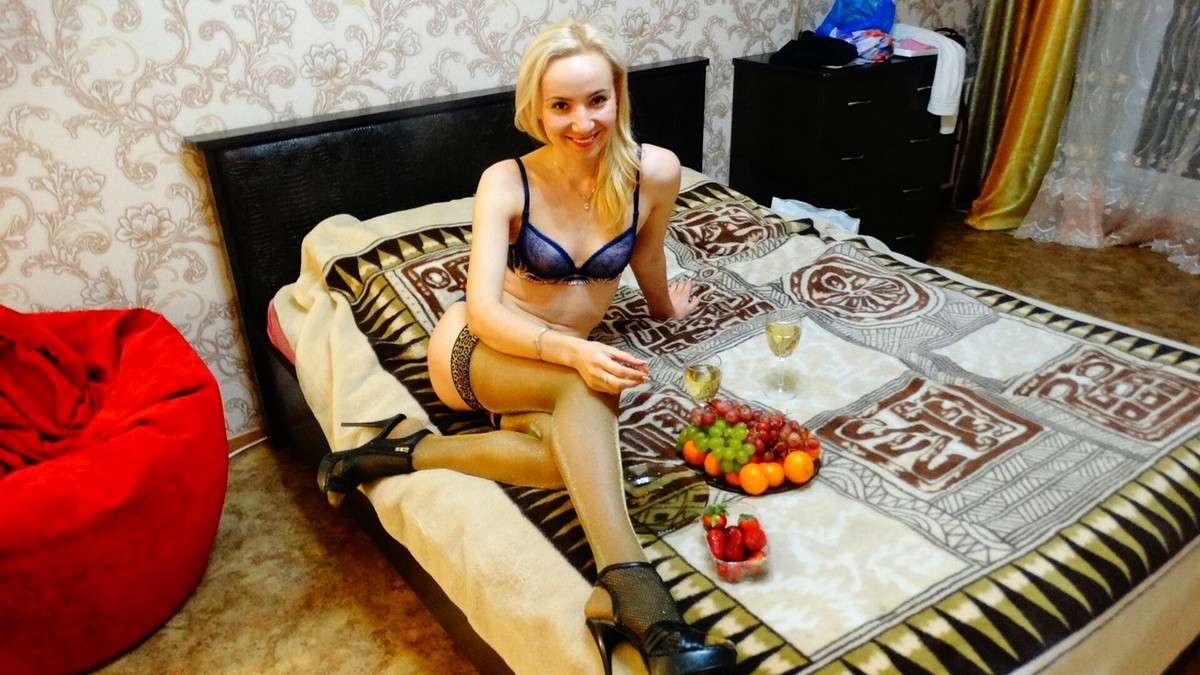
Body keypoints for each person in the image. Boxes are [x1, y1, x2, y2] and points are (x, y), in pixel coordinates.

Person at [316, 18, 737, 675]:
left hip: (553, 360)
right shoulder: (506, 181)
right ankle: (635, 594)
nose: (582, 122)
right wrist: (569, 351)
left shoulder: (655, 172)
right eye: (561, 105)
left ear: (619, 95)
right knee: (585, 382)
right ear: (536, 110)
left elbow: (648, 253)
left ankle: (403, 450)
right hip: (478, 350)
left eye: (596, 100)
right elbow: (484, 310)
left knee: (562, 460)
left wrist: (664, 307)